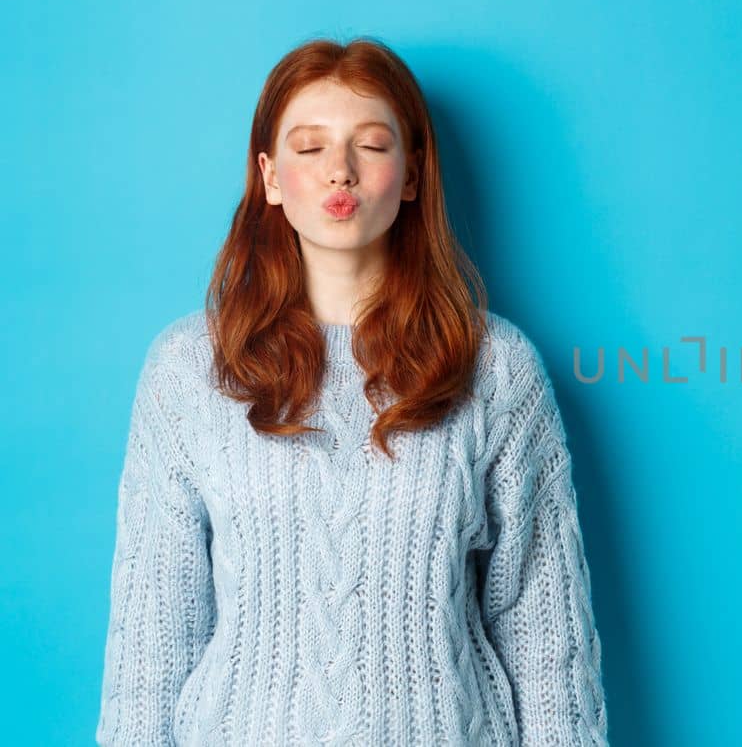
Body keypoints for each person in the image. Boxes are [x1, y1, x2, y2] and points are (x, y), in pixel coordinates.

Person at [94, 36, 608, 746]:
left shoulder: (495, 368)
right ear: (270, 177)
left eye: (370, 145)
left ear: (411, 175)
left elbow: (545, 636)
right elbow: (151, 642)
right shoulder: (188, 370)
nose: (340, 169)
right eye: (309, 149)